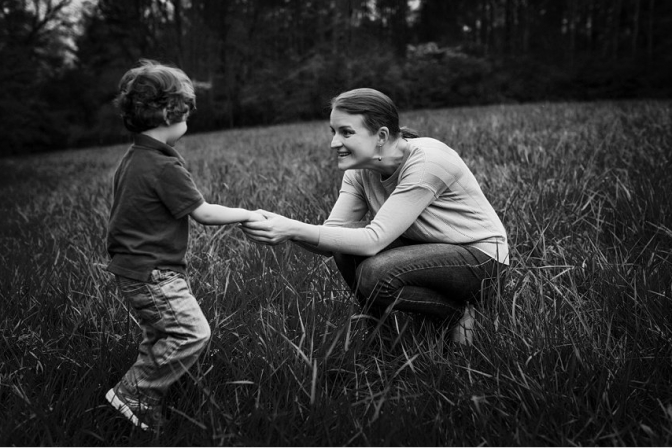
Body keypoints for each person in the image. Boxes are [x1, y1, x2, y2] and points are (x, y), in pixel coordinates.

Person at [242, 88, 509, 345]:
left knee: (375, 273)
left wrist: (292, 228)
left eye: (346, 132)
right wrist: (281, 226)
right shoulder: (359, 171)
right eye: (333, 132)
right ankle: (384, 337)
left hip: (480, 260)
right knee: (344, 248)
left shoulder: (428, 161)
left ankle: (454, 313)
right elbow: (332, 236)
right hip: (427, 250)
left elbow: (373, 240)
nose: (335, 142)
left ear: (381, 135)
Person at [104, 60, 264, 432]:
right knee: (192, 333)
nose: (188, 120)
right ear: (168, 114)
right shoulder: (163, 166)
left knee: (161, 335)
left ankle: (146, 404)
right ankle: (133, 392)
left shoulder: (134, 158)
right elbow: (203, 213)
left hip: (137, 269)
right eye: (186, 113)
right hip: (154, 272)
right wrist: (246, 213)